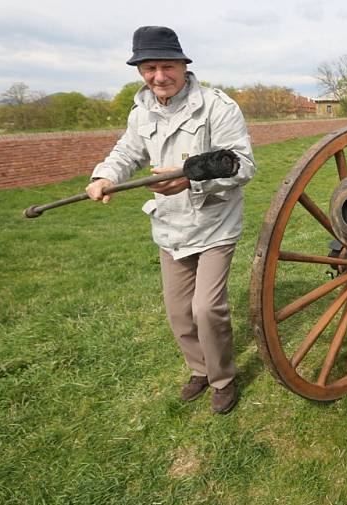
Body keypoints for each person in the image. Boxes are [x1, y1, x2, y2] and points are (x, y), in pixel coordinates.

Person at [85, 26, 256, 412]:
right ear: (140, 72)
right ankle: (200, 369)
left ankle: (223, 380)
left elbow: (242, 166)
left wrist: (190, 177)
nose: (159, 76)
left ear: (184, 65)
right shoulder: (141, 109)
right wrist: (104, 176)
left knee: (206, 309)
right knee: (179, 312)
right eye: (149, 68)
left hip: (214, 223)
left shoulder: (218, 106)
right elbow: (127, 152)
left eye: (167, 66)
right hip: (170, 227)